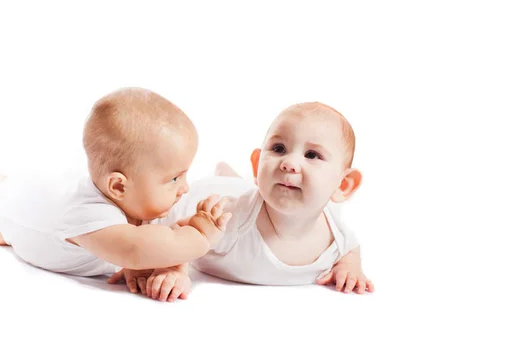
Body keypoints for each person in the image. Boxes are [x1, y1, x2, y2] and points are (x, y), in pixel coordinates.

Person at [0, 87, 231, 302]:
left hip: (56, 190)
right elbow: (136, 249)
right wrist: (201, 236)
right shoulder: (87, 214)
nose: (184, 188)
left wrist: (173, 267)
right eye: (174, 178)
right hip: (13, 211)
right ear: (118, 187)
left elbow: (165, 239)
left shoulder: (143, 200)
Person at [110, 101, 374, 300]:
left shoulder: (333, 231)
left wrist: (350, 267)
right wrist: (174, 268)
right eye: (279, 149)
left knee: (236, 187)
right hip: (202, 198)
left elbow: (350, 247)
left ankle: (231, 176)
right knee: (147, 209)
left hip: (238, 190)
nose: (289, 163)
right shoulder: (230, 218)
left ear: (342, 185)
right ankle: (228, 178)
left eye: (312, 155)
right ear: (258, 164)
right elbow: (185, 230)